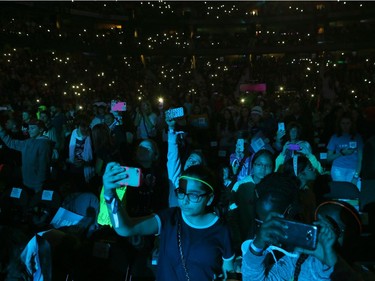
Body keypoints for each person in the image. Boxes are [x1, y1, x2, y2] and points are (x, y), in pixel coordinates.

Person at [102, 163, 235, 280]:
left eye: (194, 195)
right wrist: (109, 194)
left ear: (209, 199)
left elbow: (228, 272)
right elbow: (125, 228)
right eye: (181, 193)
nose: (185, 200)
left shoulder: (221, 230)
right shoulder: (169, 218)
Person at [241, 172, 339, 281]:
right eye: (260, 223)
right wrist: (256, 248)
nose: (268, 230)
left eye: (275, 223)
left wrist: (332, 265)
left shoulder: (308, 257)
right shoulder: (293, 262)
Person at [229, 149, 274, 254]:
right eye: (259, 164)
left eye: (268, 166)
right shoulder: (241, 185)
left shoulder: (275, 188)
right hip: (244, 237)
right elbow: (232, 215)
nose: (263, 169)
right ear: (253, 165)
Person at [0, 119, 53, 194]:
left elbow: (43, 167)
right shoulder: (28, 141)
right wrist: (1, 130)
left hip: (36, 187)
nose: (29, 130)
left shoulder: (44, 145)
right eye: (29, 128)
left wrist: (39, 187)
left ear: (41, 130)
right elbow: (11, 142)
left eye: (32, 128)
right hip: (26, 183)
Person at [166, 116, 207, 207]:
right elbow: (173, 157)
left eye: (196, 161)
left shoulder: (202, 187)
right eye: (190, 159)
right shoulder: (176, 180)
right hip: (175, 220)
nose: (191, 162)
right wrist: (171, 128)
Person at [327, 112, 363, 189]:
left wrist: (356, 177)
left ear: (352, 124)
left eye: (348, 123)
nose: (345, 126)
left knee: (353, 195)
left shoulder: (357, 137)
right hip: (338, 169)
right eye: (343, 123)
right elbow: (329, 158)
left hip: (353, 169)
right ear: (339, 124)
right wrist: (342, 153)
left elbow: (361, 159)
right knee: (340, 196)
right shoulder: (335, 137)